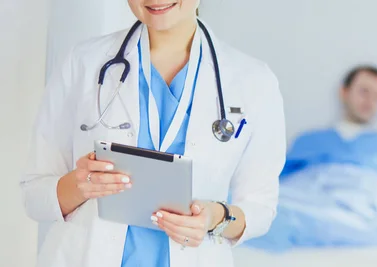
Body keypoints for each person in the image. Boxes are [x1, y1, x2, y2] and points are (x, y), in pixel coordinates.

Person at [19, 1, 286, 267]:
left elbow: (259, 208)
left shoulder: (254, 81)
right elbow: (34, 195)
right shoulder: (84, 62)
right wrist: (81, 185)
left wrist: (214, 217)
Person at [243, 65, 377, 251]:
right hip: (301, 200)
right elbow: (274, 182)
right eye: (364, 91)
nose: (370, 101)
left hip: (358, 208)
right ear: (344, 92)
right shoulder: (309, 140)